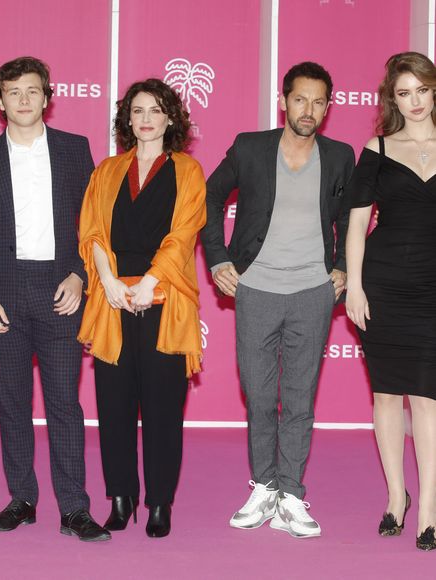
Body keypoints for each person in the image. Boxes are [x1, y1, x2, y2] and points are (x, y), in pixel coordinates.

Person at [0, 56, 109, 541]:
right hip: (3, 295)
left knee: (65, 404)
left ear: (47, 97)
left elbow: (93, 227)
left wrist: (80, 276)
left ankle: (74, 509)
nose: (23, 100)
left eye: (32, 91)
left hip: (60, 291)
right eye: (13, 92)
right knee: (12, 403)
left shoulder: (74, 150)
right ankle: (22, 498)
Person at [201, 62, 354, 538]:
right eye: (300, 99)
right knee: (261, 395)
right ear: (283, 101)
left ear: (328, 108)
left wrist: (344, 267)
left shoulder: (340, 155)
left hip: (312, 291)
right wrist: (218, 257)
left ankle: (291, 493)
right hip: (257, 289)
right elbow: (209, 194)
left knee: (300, 398)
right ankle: (263, 486)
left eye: (319, 102)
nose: (308, 110)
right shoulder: (250, 147)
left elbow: (349, 216)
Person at [78, 78, 205, 538]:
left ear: (170, 117)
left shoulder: (187, 170)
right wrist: (110, 282)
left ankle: (158, 503)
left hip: (163, 299)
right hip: (113, 300)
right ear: (127, 119)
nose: (146, 118)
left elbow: (183, 234)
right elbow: (90, 231)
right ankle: (120, 496)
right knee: (112, 405)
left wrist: (149, 283)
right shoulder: (108, 170)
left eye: (155, 110)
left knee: (162, 408)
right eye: (137, 111)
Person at [345, 51, 436, 552]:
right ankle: (396, 498)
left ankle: (429, 509)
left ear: (434, 89)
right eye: (404, 93)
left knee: (427, 396)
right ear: (392, 99)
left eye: (421, 89)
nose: (415, 101)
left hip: (432, 288)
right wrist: (354, 287)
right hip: (382, 284)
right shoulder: (377, 148)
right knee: (386, 395)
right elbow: (357, 224)